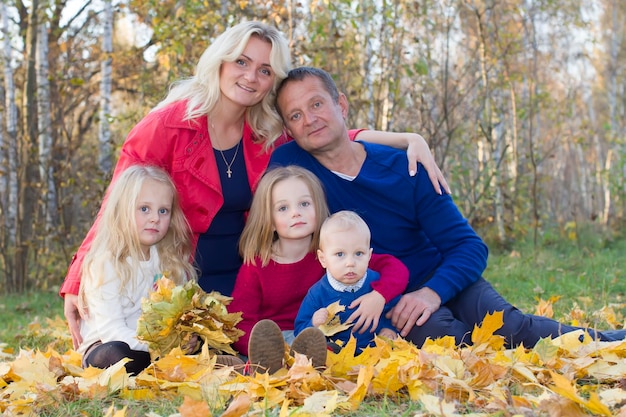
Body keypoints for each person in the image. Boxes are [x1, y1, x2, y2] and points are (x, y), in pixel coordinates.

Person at [61, 20, 448, 351]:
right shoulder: (167, 124)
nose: (251, 76)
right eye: (242, 62)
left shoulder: (267, 131)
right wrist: (78, 275)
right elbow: (118, 199)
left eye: (265, 70)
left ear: (271, 82)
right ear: (220, 62)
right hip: (189, 271)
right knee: (201, 347)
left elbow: (325, 135)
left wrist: (405, 138)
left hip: (251, 265)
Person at [269, 66, 626, 349]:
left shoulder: (403, 166)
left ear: (341, 106)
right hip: (386, 296)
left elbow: (468, 246)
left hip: (442, 277)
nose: (310, 119)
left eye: (317, 104)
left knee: (507, 324)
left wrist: (433, 291)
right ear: (289, 128)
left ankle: (612, 343)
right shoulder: (293, 167)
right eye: (296, 115)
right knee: (446, 339)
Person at [227, 167, 408, 373]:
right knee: (273, 344)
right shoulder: (257, 265)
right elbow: (241, 322)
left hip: (325, 337)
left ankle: (308, 363)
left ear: (318, 207)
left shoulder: (334, 254)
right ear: (269, 221)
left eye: (304, 203)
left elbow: (395, 268)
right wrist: (267, 348)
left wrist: (380, 296)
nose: (296, 213)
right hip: (277, 339)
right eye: (283, 208)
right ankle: (267, 363)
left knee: (324, 346)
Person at [77, 165, 197, 375]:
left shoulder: (166, 259)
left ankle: (170, 363)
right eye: (144, 209)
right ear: (122, 210)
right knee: (117, 353)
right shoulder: (106, 262)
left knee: (197, 339)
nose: (155, 218)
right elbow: (111, 330)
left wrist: (183, 336)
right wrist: (159, 346)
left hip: (155, 344)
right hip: (105, 344)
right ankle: (156, 364)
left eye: (163, 211)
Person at [295, 211, 403, 354]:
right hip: (336, 359)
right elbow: (299, 330)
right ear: (323, 259)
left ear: (369, 255)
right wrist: (313, 323)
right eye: (340, 254)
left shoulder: (378, 285)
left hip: (376, 354)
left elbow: (397, 311)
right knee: (323, 353)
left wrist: (390, 329)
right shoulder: (318, 293)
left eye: (359, 253)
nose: (350, 263)